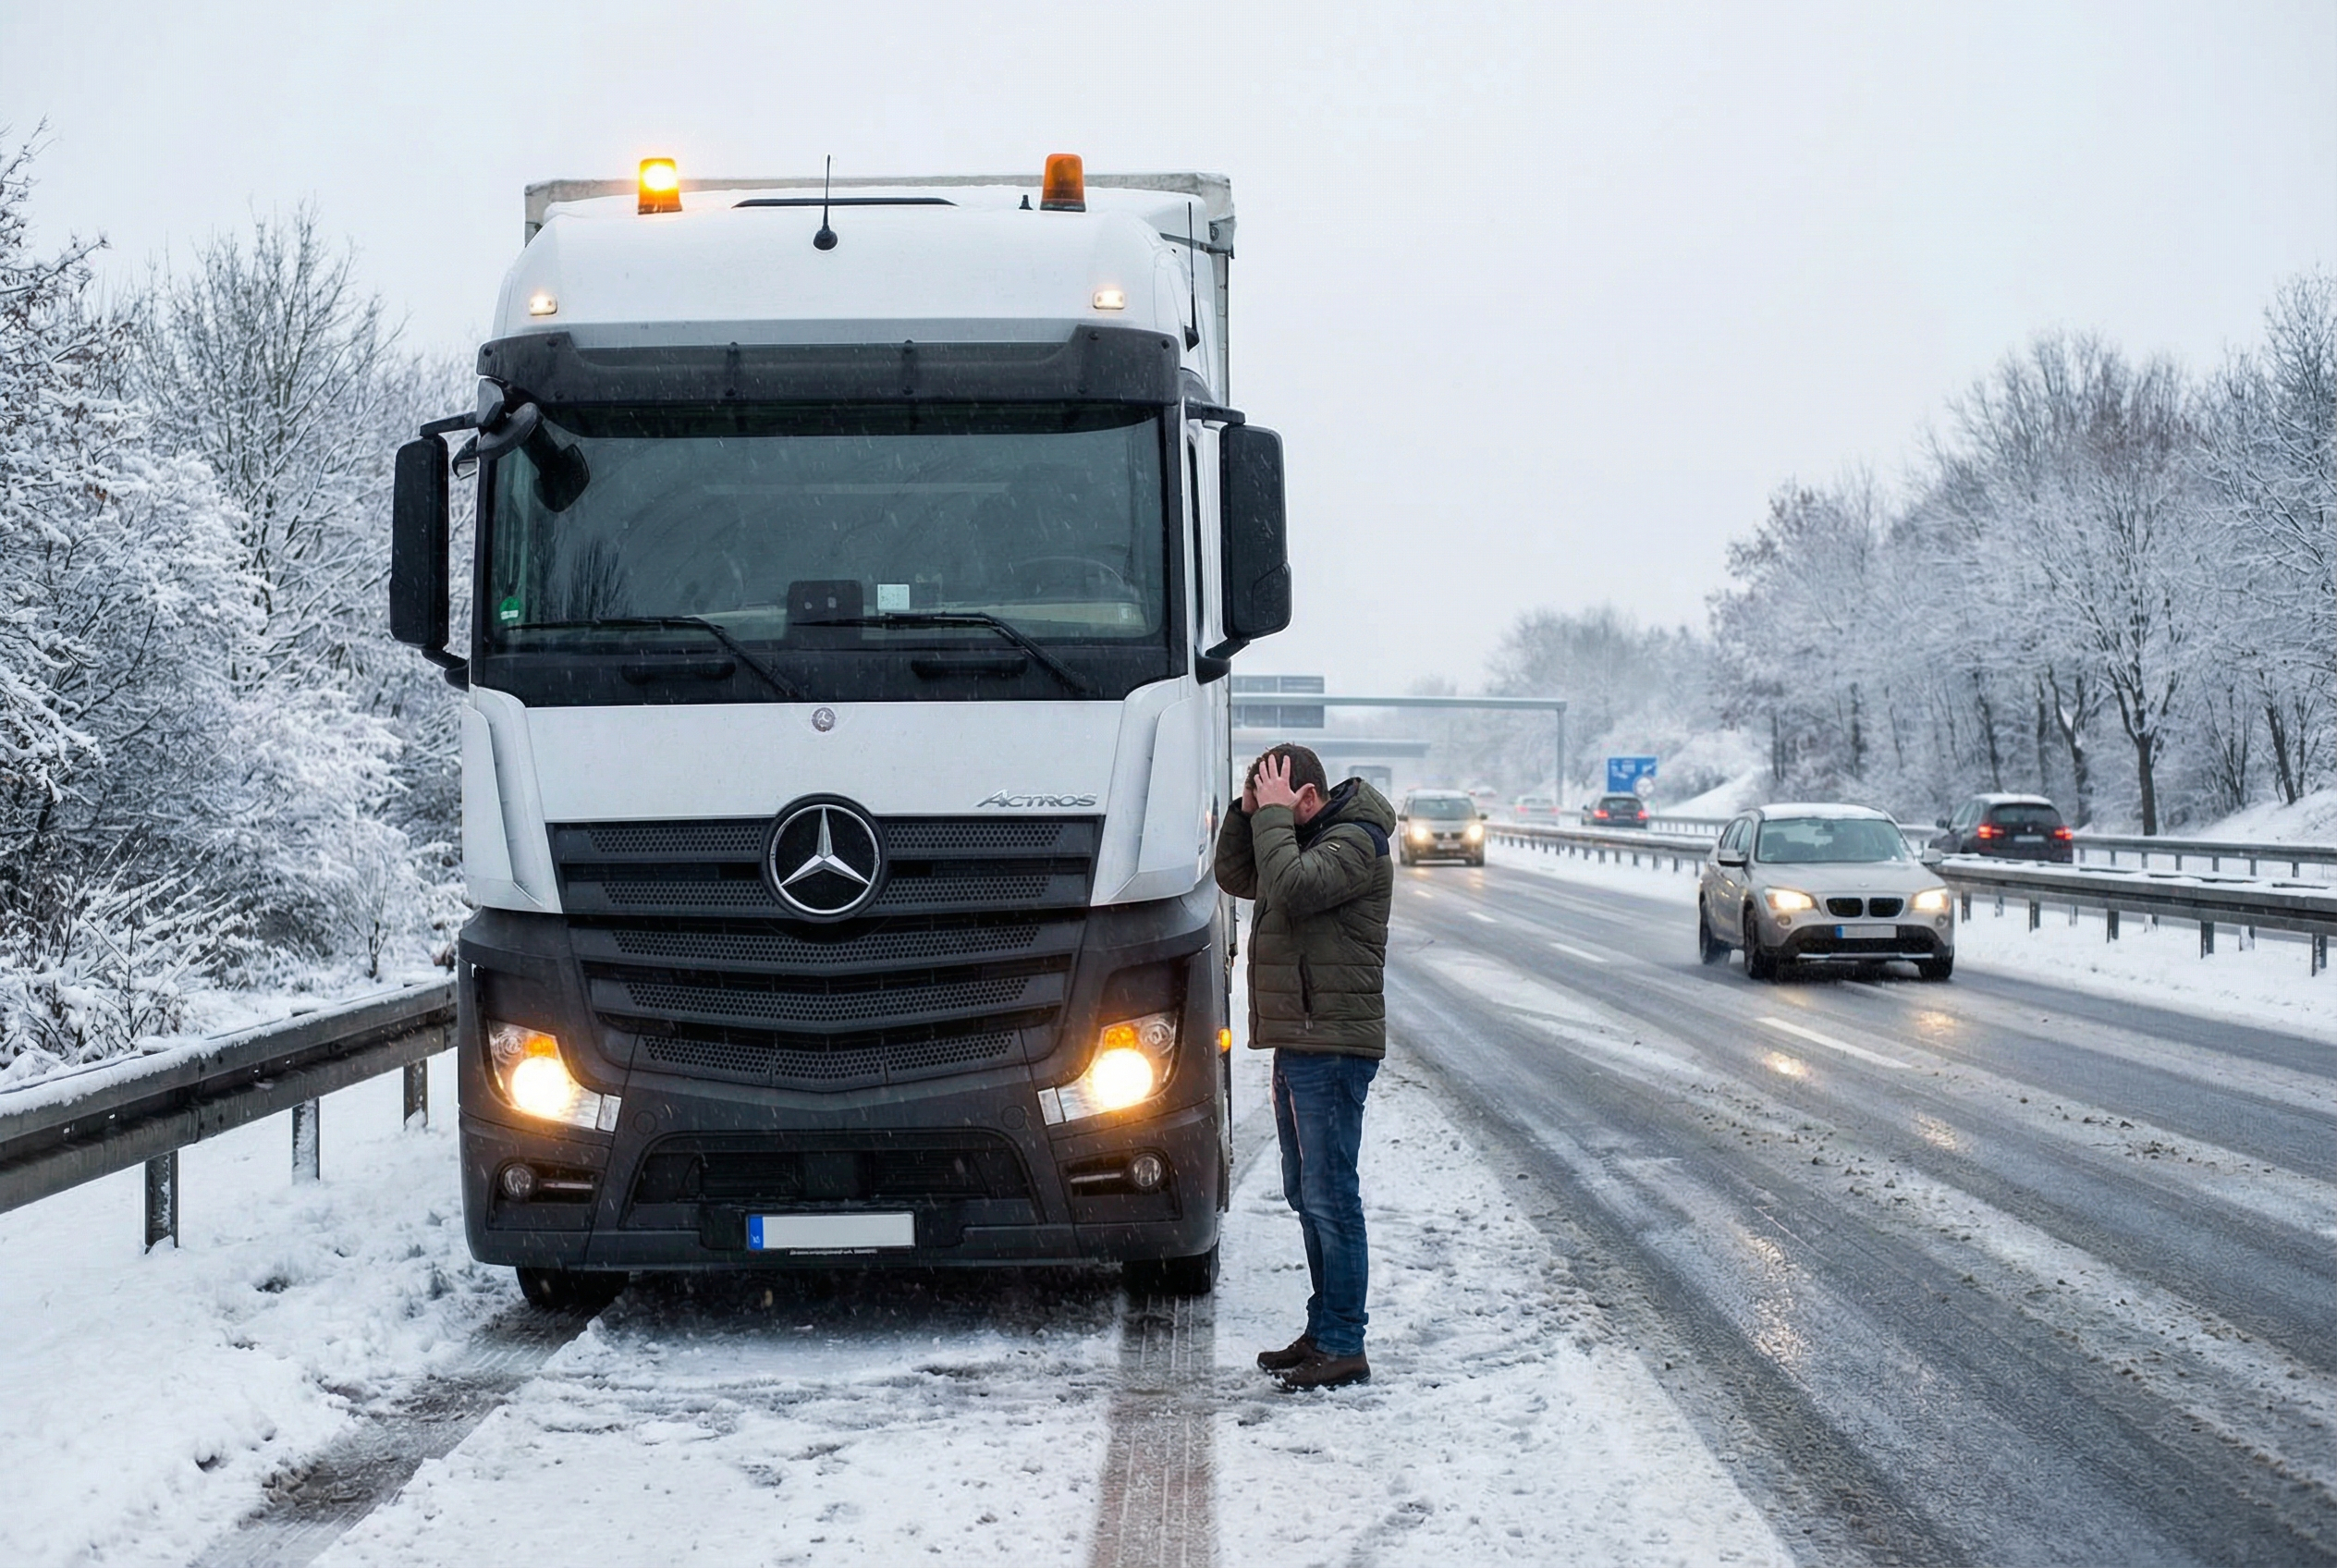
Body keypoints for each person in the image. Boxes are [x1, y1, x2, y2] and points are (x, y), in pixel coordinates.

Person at [1213, 743, 1395, 1390]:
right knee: (1306, 1194)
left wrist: (1274, 818)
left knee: (1332, 1198)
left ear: (1307, 800)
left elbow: (1289, 887)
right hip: (1302, 1042)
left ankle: (1345, 1344)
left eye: (1279, 805)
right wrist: (1248, 811)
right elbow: (1238, 874)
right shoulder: (1303, 839)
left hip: (1335, 1046)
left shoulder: (1354, 842)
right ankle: (1323, 1332)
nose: (1271, 819)